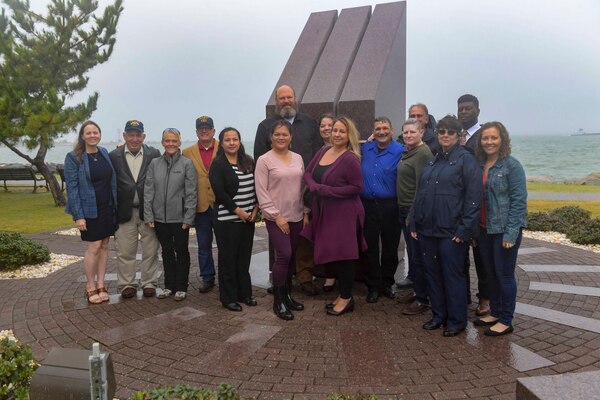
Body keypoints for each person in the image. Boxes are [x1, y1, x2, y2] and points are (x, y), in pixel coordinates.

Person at [410, 115, 482, 337]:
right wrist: (414, 220)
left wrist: (464, 230)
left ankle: (457, 320)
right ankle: (438, 315)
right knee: (432, 274)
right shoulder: (433, 160)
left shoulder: (466, 160)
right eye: (442, 131)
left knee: (453, 277)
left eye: (450, 132)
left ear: (459, 135)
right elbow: (420, 193)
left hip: (451, 232)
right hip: (427, 230)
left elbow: (473, 199)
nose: (445, 135)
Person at [254, 84, 322, 293]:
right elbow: (259, 158)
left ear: (295, 98)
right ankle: (280, 283)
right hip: (277, 196)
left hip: (304, 193)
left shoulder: (310, 123)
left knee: (302, 241)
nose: (286, 101)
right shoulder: (265, 126)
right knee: (282, 249)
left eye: (289, 97)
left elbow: (318, 154)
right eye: (281, 98)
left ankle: (304, 276)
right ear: (277, 101)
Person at [302, 116, 366, 316]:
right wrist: (314, 187)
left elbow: (357, 187)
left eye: (342, 131)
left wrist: (327, 191)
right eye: (334, 130)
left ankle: (346, 298)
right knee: (334, 256)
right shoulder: (323, 151)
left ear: (349, 136)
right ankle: (343, 295)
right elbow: (307, 174)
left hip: (345, 213)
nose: (337, 134)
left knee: (344, 256)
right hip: (326, 212)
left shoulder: (350, 158)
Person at [473, 122, 527, 336]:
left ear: (502, 139)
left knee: (504, 276)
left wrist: (511, 233)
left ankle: (506, 319)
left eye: (493, 138)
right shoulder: (480, 165)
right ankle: (495, 312)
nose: (489, 142)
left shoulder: (511, 166)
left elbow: (519, 201)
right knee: (490, 274)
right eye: (485, 138)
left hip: (504, 231)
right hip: (484, 230)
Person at [256, 120, 307, 320]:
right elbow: (261, 190)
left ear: (291, 137)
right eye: (277, 134)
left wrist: (305, 211)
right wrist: (276, 216)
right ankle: (278, 302)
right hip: (276, 217)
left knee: (292, 256)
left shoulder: (298, 158)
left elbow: (302, 187)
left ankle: (288, 296)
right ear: (271, 137)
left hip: (296, 214)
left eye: (285, 134)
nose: (281, 137)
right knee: (283, 256)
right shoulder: (264, 160)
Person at [65, 120, 117, 304]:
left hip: (107, 208)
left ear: (100, 134)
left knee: (104, 246)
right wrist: (78, 215)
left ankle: (102, 284)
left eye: (96, 132)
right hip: (89, 210)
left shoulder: (103, 153)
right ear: (82, 136)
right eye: (89, 133)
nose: (93, 135)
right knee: (93, 247)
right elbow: (72, 188)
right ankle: (90, 285)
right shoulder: (74, 157)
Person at [109, 120, 161, 299]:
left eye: (138, 135)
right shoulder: (113, 155)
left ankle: (149, 283)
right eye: (130, 135)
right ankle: (127, 284)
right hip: (124, 211)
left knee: (151, 250)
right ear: (124, 136)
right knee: (125, 251)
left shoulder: (154, 154)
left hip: (148, 212)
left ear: (143, 136)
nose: (134, 138)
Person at [144, 128, 197, 301]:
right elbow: (149, 191)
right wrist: (149, 215)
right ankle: (169, 286)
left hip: (180, 218)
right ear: (162, 142)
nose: (171, 144)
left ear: (179, 143)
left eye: (174, 141)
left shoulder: (186, 164)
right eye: (167, 141)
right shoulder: (154, 163)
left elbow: (191, 193)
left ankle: (181, 286)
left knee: (181, 251)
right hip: (160, 218)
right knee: (166, 251)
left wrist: (188, 217)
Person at [209, 127, 259, 312]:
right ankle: (228, 297)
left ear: (240, 141)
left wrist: (255, 209)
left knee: (243, 259)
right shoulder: (218, 165)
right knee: (228, 260)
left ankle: (244, 294)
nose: (232, 143)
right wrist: (239, 211)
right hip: (227, 220)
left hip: (248, 219)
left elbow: (256, 188)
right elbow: (220, 194)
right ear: (221, 143)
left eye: (235, 139)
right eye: (227, 140)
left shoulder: (248, 161)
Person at [361, 117, 404, 303]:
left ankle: (387, 283)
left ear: (392, 130)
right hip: (368, 205)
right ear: (373, 132)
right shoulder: (366, 148)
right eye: (377, 128)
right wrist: (367, 140)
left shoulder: (400, 151)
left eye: (385, 128)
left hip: (390, 206)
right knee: (370, 247)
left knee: (390, 247)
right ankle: (373, 285)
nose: (381, 131)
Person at [395, 118, 434, 315]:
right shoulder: (409, 151)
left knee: (418, 256)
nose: (409, 135)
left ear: (422, 133)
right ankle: (417, 291)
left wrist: (413, 214)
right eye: (406, 132)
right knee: (412, 252)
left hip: (413, 211)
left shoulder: (423, 153)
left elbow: (423, 186)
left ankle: (422, 299)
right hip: (404, 210)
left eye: (413, 132)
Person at [457, 94, 490, 315]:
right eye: (461, 109)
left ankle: (485, 298)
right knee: (459, 256)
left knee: (482, 257)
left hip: (477, 204)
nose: (464, 112)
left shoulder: (483, 136)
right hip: (457, 205)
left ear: (478, 110)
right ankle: (463, 295)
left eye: (468, 109)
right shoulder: (454, 134)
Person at [296, 112, 335, 296]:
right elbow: (307, 175)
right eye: (323, 126)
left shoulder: (347, 149)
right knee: (306, 241)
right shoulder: (317, 150)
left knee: (332, 241)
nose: (326, 129)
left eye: (330, 125)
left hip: (336, 204)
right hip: (314, 203)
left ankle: (332, 276)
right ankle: (305, 277)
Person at [182, 116, 218, 293]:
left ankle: (227, 274)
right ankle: (207, 277)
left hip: (221, 205)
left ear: (214, 130)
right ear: (196, 132)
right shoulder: (187, 152)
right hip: (200, 206)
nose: (204, 131)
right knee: (204, 245)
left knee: (226, 244)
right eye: (201, 128)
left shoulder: (224, 146)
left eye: (207, 128)